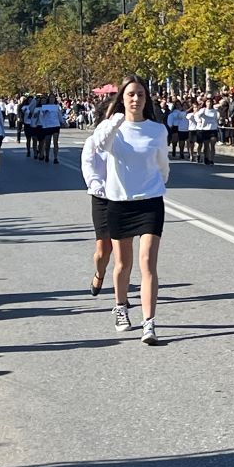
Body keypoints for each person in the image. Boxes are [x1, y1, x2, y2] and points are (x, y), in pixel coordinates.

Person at [92, 75, 170, 345]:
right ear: (122, 99)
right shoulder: (112, 127)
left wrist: (159, 184)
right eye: (131, 94)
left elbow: (163, 163)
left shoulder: (157, 130)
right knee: (123, 264)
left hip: (150, 202)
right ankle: (120, 306)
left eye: (140, 94)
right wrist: (115, 121)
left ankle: (149, 323)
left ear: (147, 99)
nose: (136, 99)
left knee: (147, 262)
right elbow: (99, 145)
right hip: (119, 203)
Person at [81, 106, 115, 298]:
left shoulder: (127, 141)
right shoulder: (93, 141)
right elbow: (88, 167)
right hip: (102, 197)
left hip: (123, 199)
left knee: (122, 248)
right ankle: (100, 273)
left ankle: (121, 294)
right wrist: (97, 186)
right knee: (103, 250)